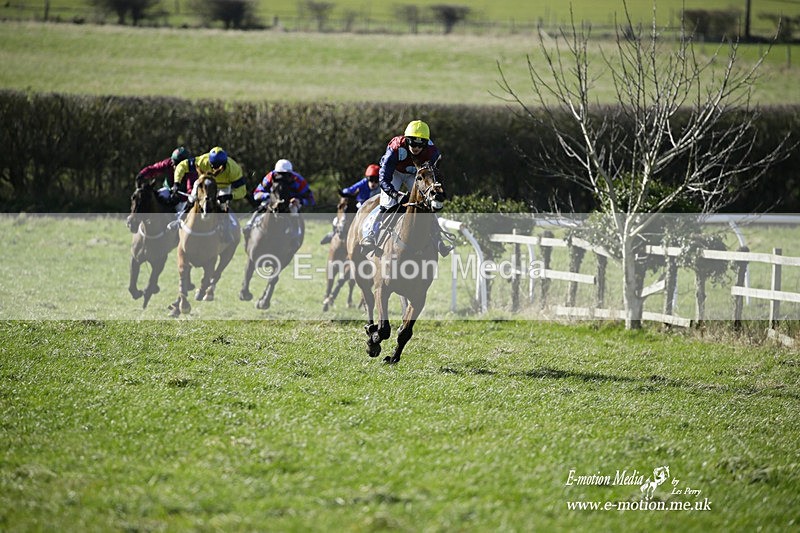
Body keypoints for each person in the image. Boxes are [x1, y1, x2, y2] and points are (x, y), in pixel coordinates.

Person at [361, 120, 453, 256]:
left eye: (420, 143)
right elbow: (383, 179)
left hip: (415, 174)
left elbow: (433, 178)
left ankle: (438, 240)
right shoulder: (396, 147)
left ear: (426, 143)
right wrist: (395, 194)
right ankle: (370, 234)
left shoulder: (432, 153)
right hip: (394, 173)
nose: (415, 147)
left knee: (428, 204)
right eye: (411, 142)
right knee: (387, 204)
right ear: (405, 139)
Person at [171, 146, 246, 242]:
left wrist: (230, 196)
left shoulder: (234, 169)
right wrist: (177, 182)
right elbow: (182, 166)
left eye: (218, 167)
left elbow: (242, 190)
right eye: (213, 166)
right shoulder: (202, 160)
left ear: (225, 164)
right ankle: (180, 219)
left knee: (223, 204)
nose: (215, 170)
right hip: (204, 183)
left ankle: (226, 229)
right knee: (192, 197)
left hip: (223, 186)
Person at [244, 159, 315, 244]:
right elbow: (256, 194)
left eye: (285, 175)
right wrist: (269, 196)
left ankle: (295, 236)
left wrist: (299, 201)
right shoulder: (270, 177)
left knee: (294, 210)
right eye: (279, 174)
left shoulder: (298, 180)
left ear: (290, 174)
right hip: (272, 199)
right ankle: (249, 225)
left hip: (290, 203)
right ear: (275, 172)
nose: (281, 177)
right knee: (263, 205)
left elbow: (311, 200)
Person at [319, 164, 380, 245]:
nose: (373, 183)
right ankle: (334, 234)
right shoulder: (363, 183)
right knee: (336, 220)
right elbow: (347, 190)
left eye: (376, 180)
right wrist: (346, 195)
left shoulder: (382, 187)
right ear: (367, 178)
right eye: (371, 179)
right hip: (361, 207)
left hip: (375, 210)